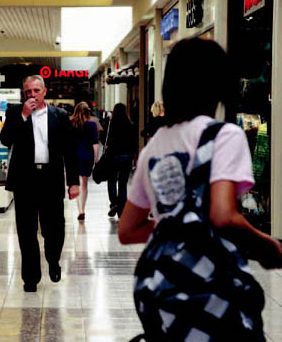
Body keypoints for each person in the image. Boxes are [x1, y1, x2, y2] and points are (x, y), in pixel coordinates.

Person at [119, 38, 282, 341]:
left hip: (157, 286)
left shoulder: (155, 145)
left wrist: (175, 225)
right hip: (208, 284)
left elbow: (128, 230)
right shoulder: (224, 135)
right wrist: (268, 246)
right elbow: (222, 216)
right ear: (219, 83)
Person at [0, 75, 79, 293]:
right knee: (26, 231)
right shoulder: (15, 113)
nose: (32, 95)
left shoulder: (59, 116)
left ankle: (53, 260)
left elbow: (69, 151)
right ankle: (31, 277)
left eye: (36, 90)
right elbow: (5, 139)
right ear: (23, 93)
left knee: (55, 229)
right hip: (24, 180)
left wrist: (73, 182)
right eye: (28, 91)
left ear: (44, 92)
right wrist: (23, 116)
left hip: (51, 179)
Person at [106, 103, 137, 217]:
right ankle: (122, 207)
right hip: (126, 156)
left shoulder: (112, 124)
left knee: (112, 180)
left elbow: (107, 140)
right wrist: (134, 157)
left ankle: (114, 203)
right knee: (123, 183)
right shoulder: (131, 125)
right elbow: (134, 143)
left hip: (113, 156)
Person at [70, 101, 98, 220]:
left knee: (76, 183)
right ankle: (83, 208)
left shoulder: (72, 124)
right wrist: (96, 158)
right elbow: (95, 143)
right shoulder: (92, 125)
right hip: (87, 155)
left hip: (75, 155)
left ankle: (80, 210)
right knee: (84, 183)